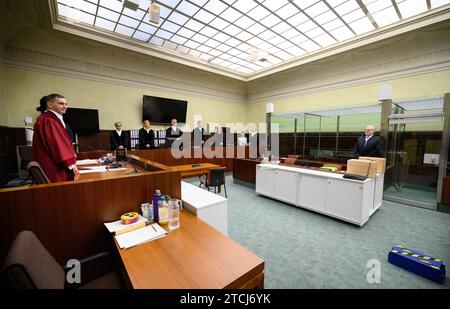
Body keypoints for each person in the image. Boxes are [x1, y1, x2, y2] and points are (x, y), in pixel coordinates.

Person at [33, 94, 79, 182]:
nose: (65, 106)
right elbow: (57, 144)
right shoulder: (48, 120)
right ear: (49, 105)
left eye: (66, 104)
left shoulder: (51, 119)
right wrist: (71, 164)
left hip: (53, 162)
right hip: (54, 166)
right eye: (61, 103)